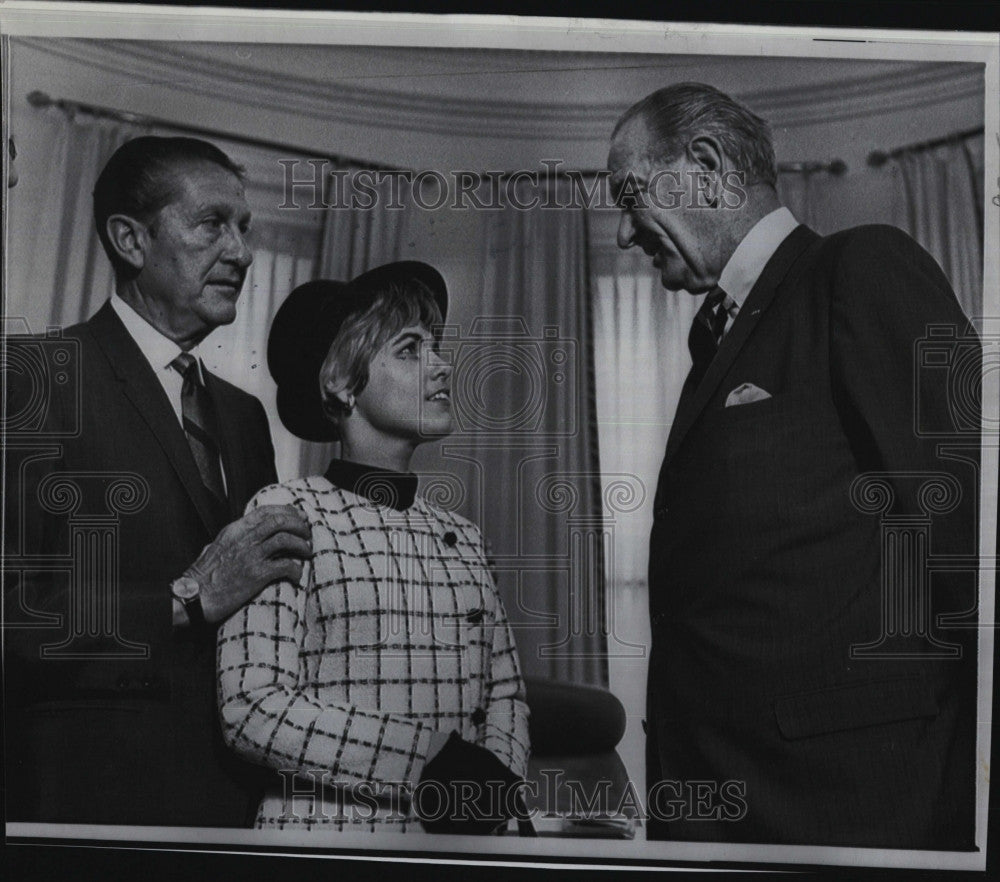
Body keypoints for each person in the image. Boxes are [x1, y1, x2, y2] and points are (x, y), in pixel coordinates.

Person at [607, 83, 980, 848]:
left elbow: (969, 539)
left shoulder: (862, 269)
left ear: (704, 165)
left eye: (628, 195)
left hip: (854, 807)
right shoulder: (712, 342)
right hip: (722, 806)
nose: (621, 232)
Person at [4, 136, 311, 827]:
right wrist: (189, 597)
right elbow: (15, 613)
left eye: (245, 229)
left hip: (240, 805)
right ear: (130, 240)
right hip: (84, 800)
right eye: (212, 225)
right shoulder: (33, 378)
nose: (241, 252)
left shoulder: (243, 415)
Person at [217, 262, 531, 833]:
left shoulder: (463, 536)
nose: (441, 366)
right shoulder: (284, 511)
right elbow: (251, 707)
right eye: (410, 350)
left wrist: (496, 789)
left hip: (461, 847)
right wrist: (429, 763)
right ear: (340, 383)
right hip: (324, 842)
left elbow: (504, 691)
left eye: (436, 346)